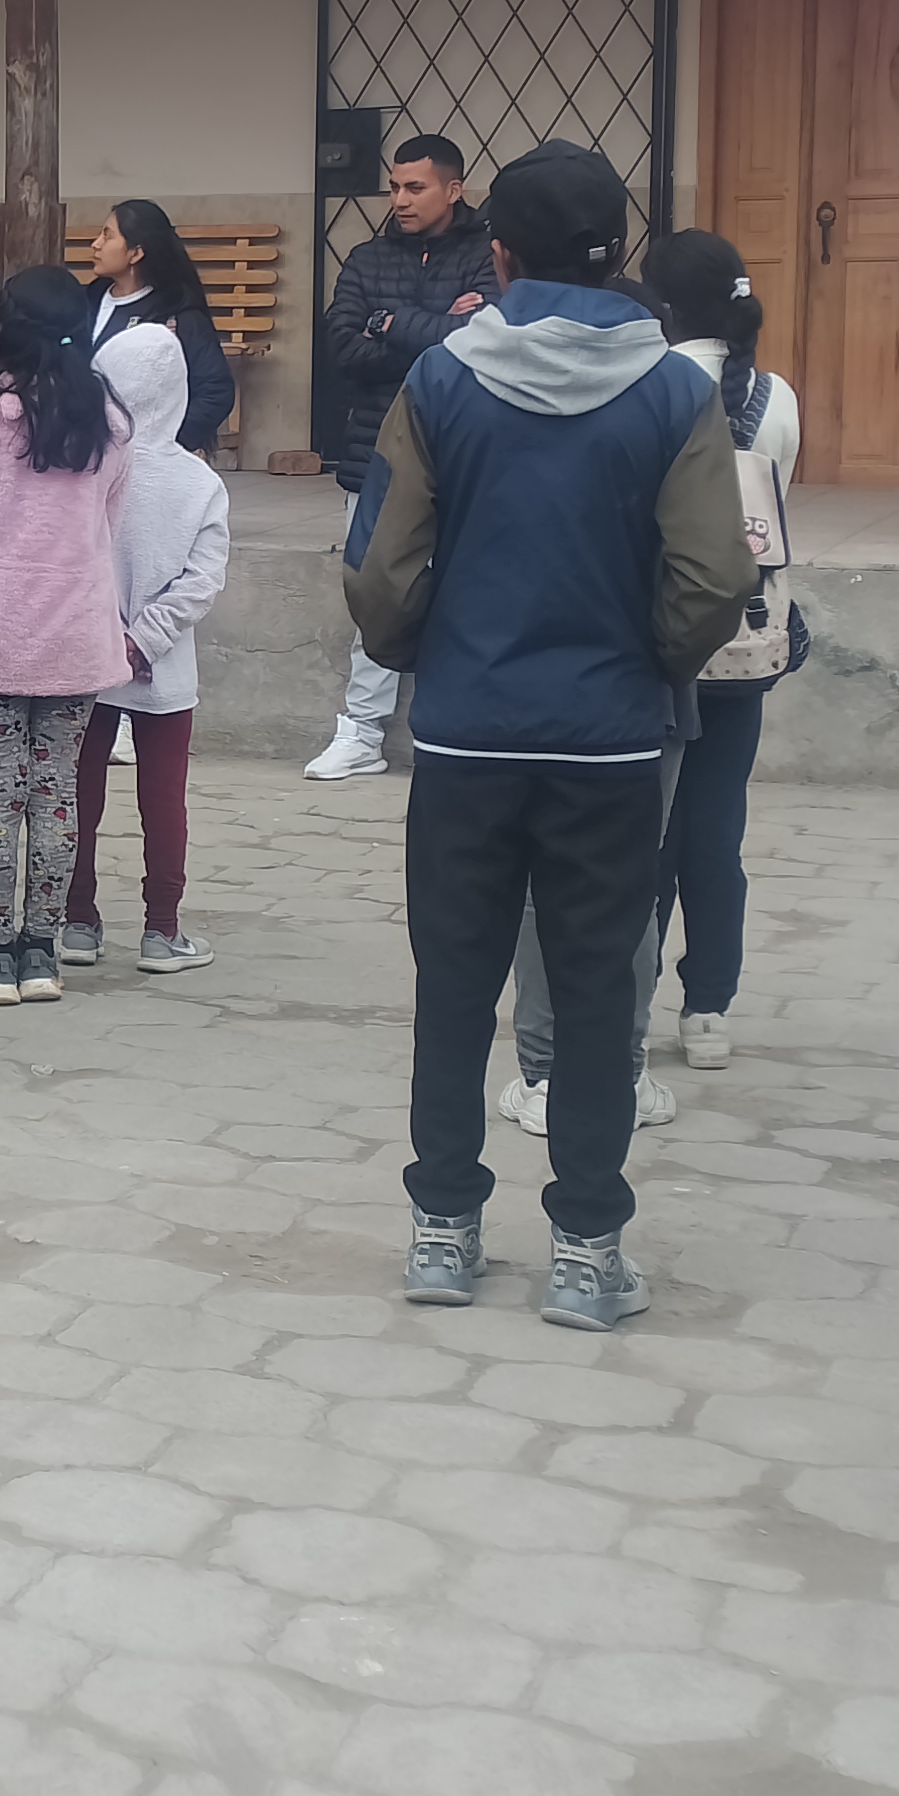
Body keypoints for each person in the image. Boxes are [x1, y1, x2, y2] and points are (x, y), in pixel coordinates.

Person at [349, 142, 752, 1332]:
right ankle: (585, 1251)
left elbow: (384, 568)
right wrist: (645, 666)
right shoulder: (675, 391)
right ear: (618, 252)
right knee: (591, 992)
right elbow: (712, 576)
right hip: (611, 745)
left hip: (467, 738)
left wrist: (426, 653)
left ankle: (442, 1234)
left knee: (452, 986)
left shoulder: (440, 380)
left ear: (501, 253)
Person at [0, 267, 134, 1006]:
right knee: (57, 795)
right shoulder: (108, 417)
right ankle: (42, 955)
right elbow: (109, 522)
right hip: (74, 634)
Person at [636, 230, 800, 1081]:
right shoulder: (776, 396)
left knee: (644, 836)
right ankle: (708, 1008)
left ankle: (626, 1003)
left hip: (659, 638)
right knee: (715, 832)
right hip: (745, 640)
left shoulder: (650, 384)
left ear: (662, 306)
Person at [310, 134, 494, 777]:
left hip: (465, 449)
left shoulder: (488, 255)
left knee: (471, 596)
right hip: (379, 452)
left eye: (416, 187)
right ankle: (361, 733)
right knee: (379, 593)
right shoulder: (366, 258)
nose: (400, 199)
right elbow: (343, 350)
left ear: (454, 189)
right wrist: (436, 323)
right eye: (394, 186)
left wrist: (388, 321)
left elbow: (482, 341)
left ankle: (463, 731)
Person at [67, 321, 230, 975]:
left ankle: (76, 921)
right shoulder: (200, 482)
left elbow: (72, 558)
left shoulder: (88, 466)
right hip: (163, 664)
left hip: (87, 653)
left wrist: (111, 635)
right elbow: (202, 581)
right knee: (164, 801)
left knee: (78, 791)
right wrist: (146, 639)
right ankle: (162, 930)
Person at [84, 198, 237, 455]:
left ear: (136, 253)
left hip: (142, 457)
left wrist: (166, 445)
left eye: (107, 236)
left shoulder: (175, 313)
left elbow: (216, 392)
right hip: (86, 454)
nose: (96, 244)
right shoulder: (87, 302)